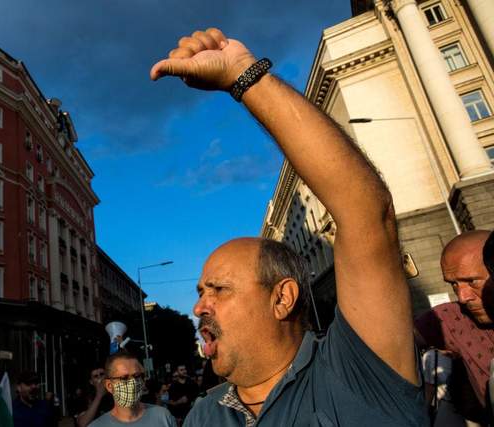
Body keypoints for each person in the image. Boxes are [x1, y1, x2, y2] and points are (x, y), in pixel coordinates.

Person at [150, 28, 426, 426]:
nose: (198, 307)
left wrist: (242, 75)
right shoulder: (203, 415)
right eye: (200, 292)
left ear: (282, 298)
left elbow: (365, 211)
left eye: (218, 290)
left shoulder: (356, 374)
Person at [416, 230, 493, 420]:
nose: (462, 297)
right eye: (454, 284)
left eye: (472, 281)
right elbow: (395, 341)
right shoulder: (455, 318)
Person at [89, 352, 176, 426]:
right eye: (124, 378)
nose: (133, 382)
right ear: (109, 386)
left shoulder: (164, 416)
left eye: (136, 376)